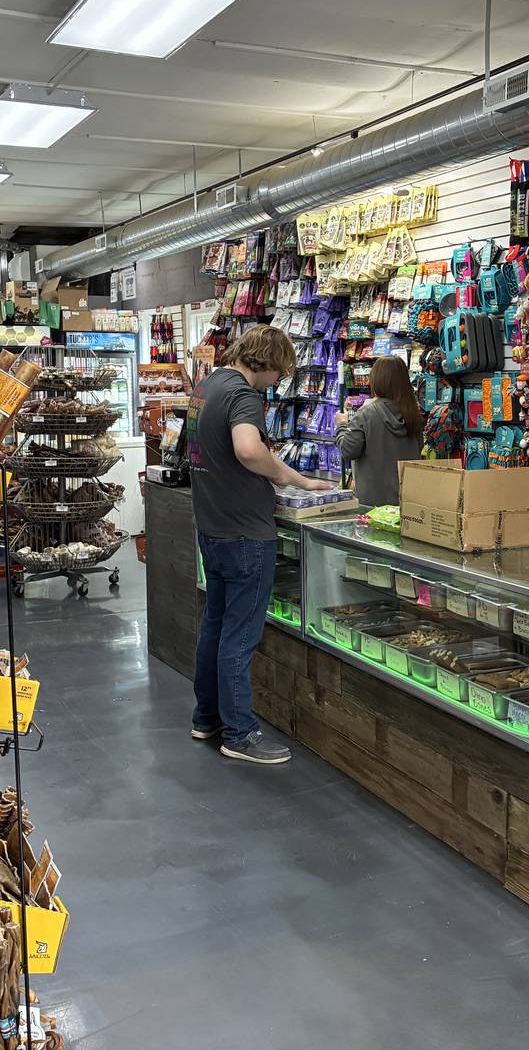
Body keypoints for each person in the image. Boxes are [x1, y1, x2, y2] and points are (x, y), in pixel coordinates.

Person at [188, 324, 332, 764]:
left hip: (211, 527)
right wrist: (295, 478)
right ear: (264, 361)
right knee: (239, 634)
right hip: (246, 534)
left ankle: (206, 717)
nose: (277, 382)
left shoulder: (207, 385)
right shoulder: (243, 395)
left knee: (215, 623)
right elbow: (249, 450)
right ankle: (240, 733)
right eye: (278, 372)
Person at [334, 355, 424, 507]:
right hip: (406, 503)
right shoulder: (413, 414)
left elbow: (348, 451)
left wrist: (342, 425)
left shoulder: (366, 413)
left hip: (371, 505)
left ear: (376, 380)